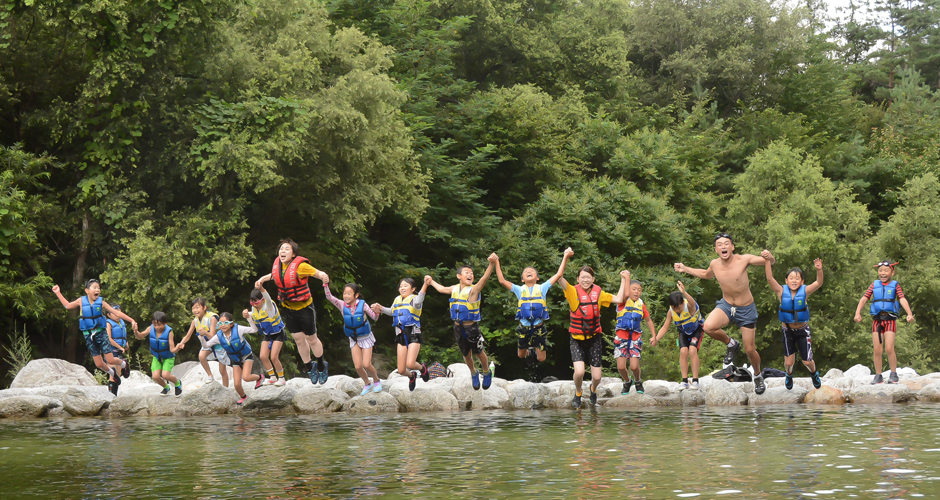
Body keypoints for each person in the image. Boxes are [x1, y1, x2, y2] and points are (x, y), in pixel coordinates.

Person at [674, 233, 771, 395]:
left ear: (732, 247)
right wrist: (685, 269)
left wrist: (769, 257)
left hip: (745, 309)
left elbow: (767, 262)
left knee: (750, 350)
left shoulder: (743, 259)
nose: (723, 246)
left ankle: (758, 375)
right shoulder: (715, 264)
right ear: (716, 249)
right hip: (726, 306)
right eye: (720, 244)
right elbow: (706, 274)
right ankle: (731, 343)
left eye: (727, 243)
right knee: (708, 326)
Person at [255, 239, 329, 384]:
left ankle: (321, 365)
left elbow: (316, 272)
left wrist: (323, 276)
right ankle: (310, 367)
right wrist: (262, 279)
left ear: (293, 254)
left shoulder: (301, 266)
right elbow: (275, 276)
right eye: (281, 249)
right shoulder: (278, 265)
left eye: (287, 249)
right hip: (289, 307)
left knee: (311, 339)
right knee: (298, 339)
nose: (283, 251)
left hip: (305, 308)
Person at [557, 262, 629, 409]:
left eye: (588, 277)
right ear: (577, 279)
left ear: (593, 279)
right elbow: (559, 278)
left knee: (597, 377)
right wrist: (565, 257)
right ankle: (578, 392)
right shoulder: (572, 291)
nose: (585, 280)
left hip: (594, 338)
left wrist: (623, 279)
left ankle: (593, 390)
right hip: (576, 339)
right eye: (582, 277)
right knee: (579, 372)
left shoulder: (599, 293)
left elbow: (619, 299)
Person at [52, 280, 136, 396]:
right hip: (89, 335)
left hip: (101, 334)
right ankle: (113, 374)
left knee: (110, 360)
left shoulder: (101, 302)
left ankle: (123, 364)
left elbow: (117, 314)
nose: (97, 290)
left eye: (98, 288)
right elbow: (67, 305)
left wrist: (131, 320)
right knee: (99, 364)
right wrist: (58, 293)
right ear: (87, 291)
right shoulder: (81, 301)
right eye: (94, 287)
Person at [493, 248, 574, 368]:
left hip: (538, 326)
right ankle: (528, 351)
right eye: (526, 271)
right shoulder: (519, 289)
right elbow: (502, 280)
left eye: (532, 271)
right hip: (524, 326)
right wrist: (496, 262)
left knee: (542, 358)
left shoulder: (542, 288)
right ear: (522, 279)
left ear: (537, 278)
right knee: (520, 355)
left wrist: (565, 256)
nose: (529, 271)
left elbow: (558, 275)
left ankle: (534, 350)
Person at [427, 255, 497, 390]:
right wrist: (431, 282)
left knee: (479, 351)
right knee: (466, 354)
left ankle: (487, 371)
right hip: (458, 327)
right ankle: (473, 373)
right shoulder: (454, 288)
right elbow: (441, 289)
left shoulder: (474, 290)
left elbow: (484, 279)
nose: (470, 275)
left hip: (472, 328)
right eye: (467, 273)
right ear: (459, 276)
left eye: (472, 273)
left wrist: (491, 264)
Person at [762, 251, 824, 390]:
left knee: (807, 361)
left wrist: (819, 270)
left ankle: (814, 374)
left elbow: (819, 282)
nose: (794, 280)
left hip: (802, 330)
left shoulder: (805, 291)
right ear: (786, 280)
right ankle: (789, 375)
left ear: (802, 281)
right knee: (789, 363)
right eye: (791, 278)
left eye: (797, 278)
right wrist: (767, 261)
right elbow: (770, 278)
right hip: (787, 330)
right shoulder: (781, 291)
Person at [853, 260, 914, 385]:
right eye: (880, 271)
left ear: (892, 272)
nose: (883, 273)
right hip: (877, 320)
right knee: (877, 350)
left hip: (890, 320)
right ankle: (878, 375)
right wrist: (857, 313)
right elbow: (864, 298)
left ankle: (893, 373)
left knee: (889, 348)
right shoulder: (874, 285)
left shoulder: (895, 285)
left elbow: (902, 299)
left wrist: (909, 314)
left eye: (886, 270)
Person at [322, 277, 382, 395]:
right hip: (353, 338)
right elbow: (329, 297)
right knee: (358, 366)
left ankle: (376, 380)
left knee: (367, 364)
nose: (346, 296)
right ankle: (367, 383)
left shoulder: (363, 305)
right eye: (345, 293)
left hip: (365, 337)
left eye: (349, 293)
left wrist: (377, 311)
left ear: (356, 295)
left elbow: (374, 317)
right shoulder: (341, 305)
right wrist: (325, 285)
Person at [372, 276, 431, 392]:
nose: (402, 288)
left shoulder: (415, 300)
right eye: (401, 286)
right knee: (401, 370)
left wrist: (426, 284)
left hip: (413, 333)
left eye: (405, 286)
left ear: (413, 289)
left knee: (411, 363)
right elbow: (391, 312)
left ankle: (422, 368)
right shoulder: (397, 299)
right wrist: (381, 308)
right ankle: (411, 376)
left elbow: (421, 296)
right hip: (401, 335)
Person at [652, 281, 705, 390]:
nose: (677, 310)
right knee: (683, 352)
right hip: (683, 332)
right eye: (674, 307)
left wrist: (684, 292)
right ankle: (684, 381)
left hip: (696, 330)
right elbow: (665, 327)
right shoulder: (671, 311)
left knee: (692, 350)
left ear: (682, 303)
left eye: (679, 307)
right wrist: (656, 338)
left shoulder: (689, 307)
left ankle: (695, 381)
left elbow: (693, 303)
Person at [203, 312, 264, 404]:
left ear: (231, 324)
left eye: (226, 323)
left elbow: (254, 330)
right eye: (220, 323)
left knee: (246, 377)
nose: (223, 325)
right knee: (236, 385)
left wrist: (249, 318)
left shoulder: (238, 329)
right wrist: (201, 337)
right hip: (236, 359)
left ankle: (259, 377)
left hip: (246, 355)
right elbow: (206, 345)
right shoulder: (218, 336)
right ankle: (244, 397)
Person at [613, 273, 657, 395]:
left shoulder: (641, 305)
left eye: (639, 290)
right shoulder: (622, 301)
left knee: (633, 366)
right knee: (621, 367)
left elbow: (648, 320)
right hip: (621, 337)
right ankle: (627, 381)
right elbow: (625, 294)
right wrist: (627, 278)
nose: (637, 292)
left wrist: (654, 335)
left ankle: (638, 381)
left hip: (635, 338)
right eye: (634, 289)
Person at [178, 298, 229, 388]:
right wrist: (181, 343)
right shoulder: (195, 321)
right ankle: (210, 375)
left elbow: (213, 336)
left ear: (204, 307)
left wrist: (205, 332)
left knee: (222, 371)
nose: (195, 310)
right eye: (193, 308)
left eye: (197, 307)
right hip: (208, 344)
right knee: (201, 356)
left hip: (219, 344)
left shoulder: (212, 318)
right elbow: (187, 336)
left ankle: (226, 389)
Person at [133, 311, 183, 396]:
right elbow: (140, 337)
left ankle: (178, 383)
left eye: (159, 325)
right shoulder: (150, 328)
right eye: (155, 325)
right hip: (156, 356)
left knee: (165, 375)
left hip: (168, 357)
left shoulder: (169, 332)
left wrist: (178, 348)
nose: (157, 327)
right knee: (155, 376)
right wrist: (136, 331)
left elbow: (172, 350)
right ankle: (166, 387)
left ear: (165, 323)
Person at [246, 288, 287, 386]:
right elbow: (255, 319)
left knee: (274, 357)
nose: (254, 305)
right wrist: (247, 316)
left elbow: (268, 299)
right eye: (252, 303)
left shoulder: (269, 307)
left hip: (278, 333)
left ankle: (281, 378)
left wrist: (262, 289)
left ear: (263, 300)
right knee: (263, 356)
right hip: (268, 335)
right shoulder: (255, 309)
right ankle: (272, 377)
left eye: (256, 302)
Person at [105, 303, 130, 371]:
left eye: (119, 312)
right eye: (115, 312)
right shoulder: (108, 324)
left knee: (119, 373)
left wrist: (126, 343)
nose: (118, 314)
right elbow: (109, 339)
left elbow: (123, 335)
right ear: (108, 314)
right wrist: (120, 347)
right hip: (111, 351)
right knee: (113, 372)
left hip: (119, 351)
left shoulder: (121, 322)